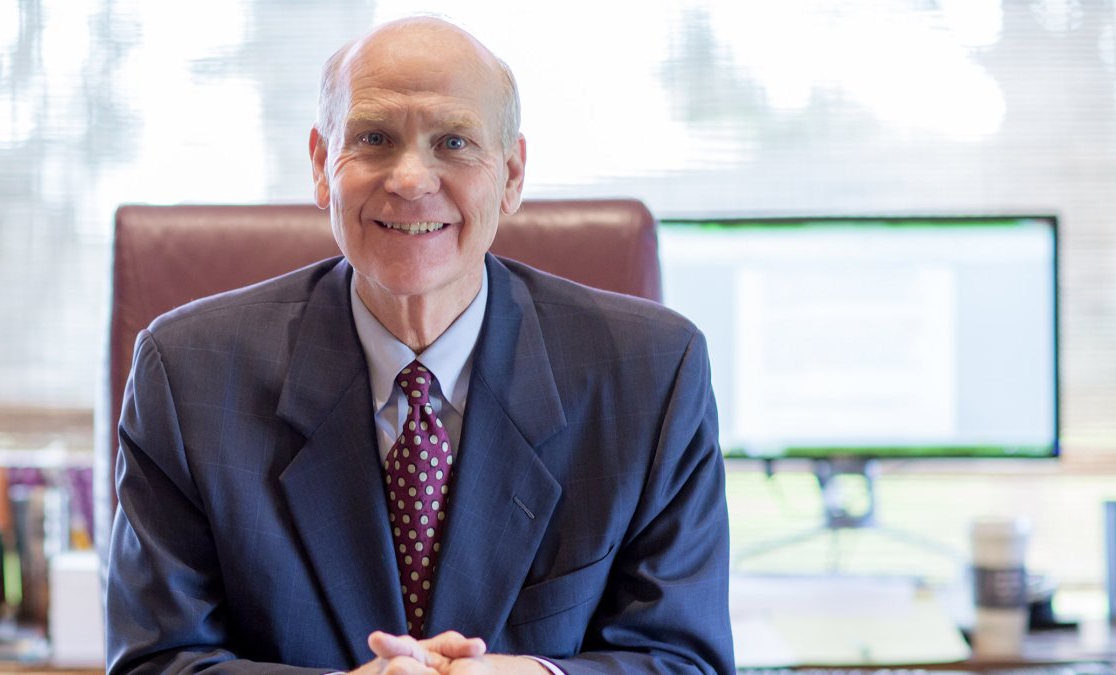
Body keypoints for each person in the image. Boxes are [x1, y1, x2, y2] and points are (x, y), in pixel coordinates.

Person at [106, 16, 733, 675]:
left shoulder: (654, 376)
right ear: (323, 166)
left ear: (512, 173)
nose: (411, 178)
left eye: (454, 142)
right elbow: (158, 662)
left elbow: (684, 659)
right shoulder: (186, 378)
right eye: (374, 138)